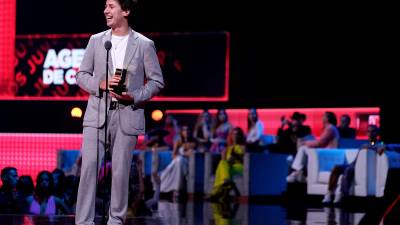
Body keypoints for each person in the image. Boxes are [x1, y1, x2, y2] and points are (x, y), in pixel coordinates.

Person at [74, 0, 164, 223]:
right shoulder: (97, 41)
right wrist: (101, 83)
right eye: (105, 6)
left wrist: (134, 95)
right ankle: (83, 221)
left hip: (127, 115)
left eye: (111, 6)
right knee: (88, 169)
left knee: (121, 173)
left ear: (126, 11)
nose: (106, 10)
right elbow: (81, 75)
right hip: (97, 115)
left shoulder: (144, 44)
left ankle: (116, 220)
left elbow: (156, 82)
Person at [206, 127, 245, 202]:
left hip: (239, 167)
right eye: (233, 134)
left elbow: (244, 160)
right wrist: (224, 154)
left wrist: (236, 157)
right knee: (221, 164)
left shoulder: (243, 147)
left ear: (240, 136)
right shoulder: (227, 148)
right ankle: (226, 182)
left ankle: (215, 192)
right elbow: (224, 160)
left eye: (237, 134)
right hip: (229, 167)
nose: (235, 136)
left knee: (221, 168)